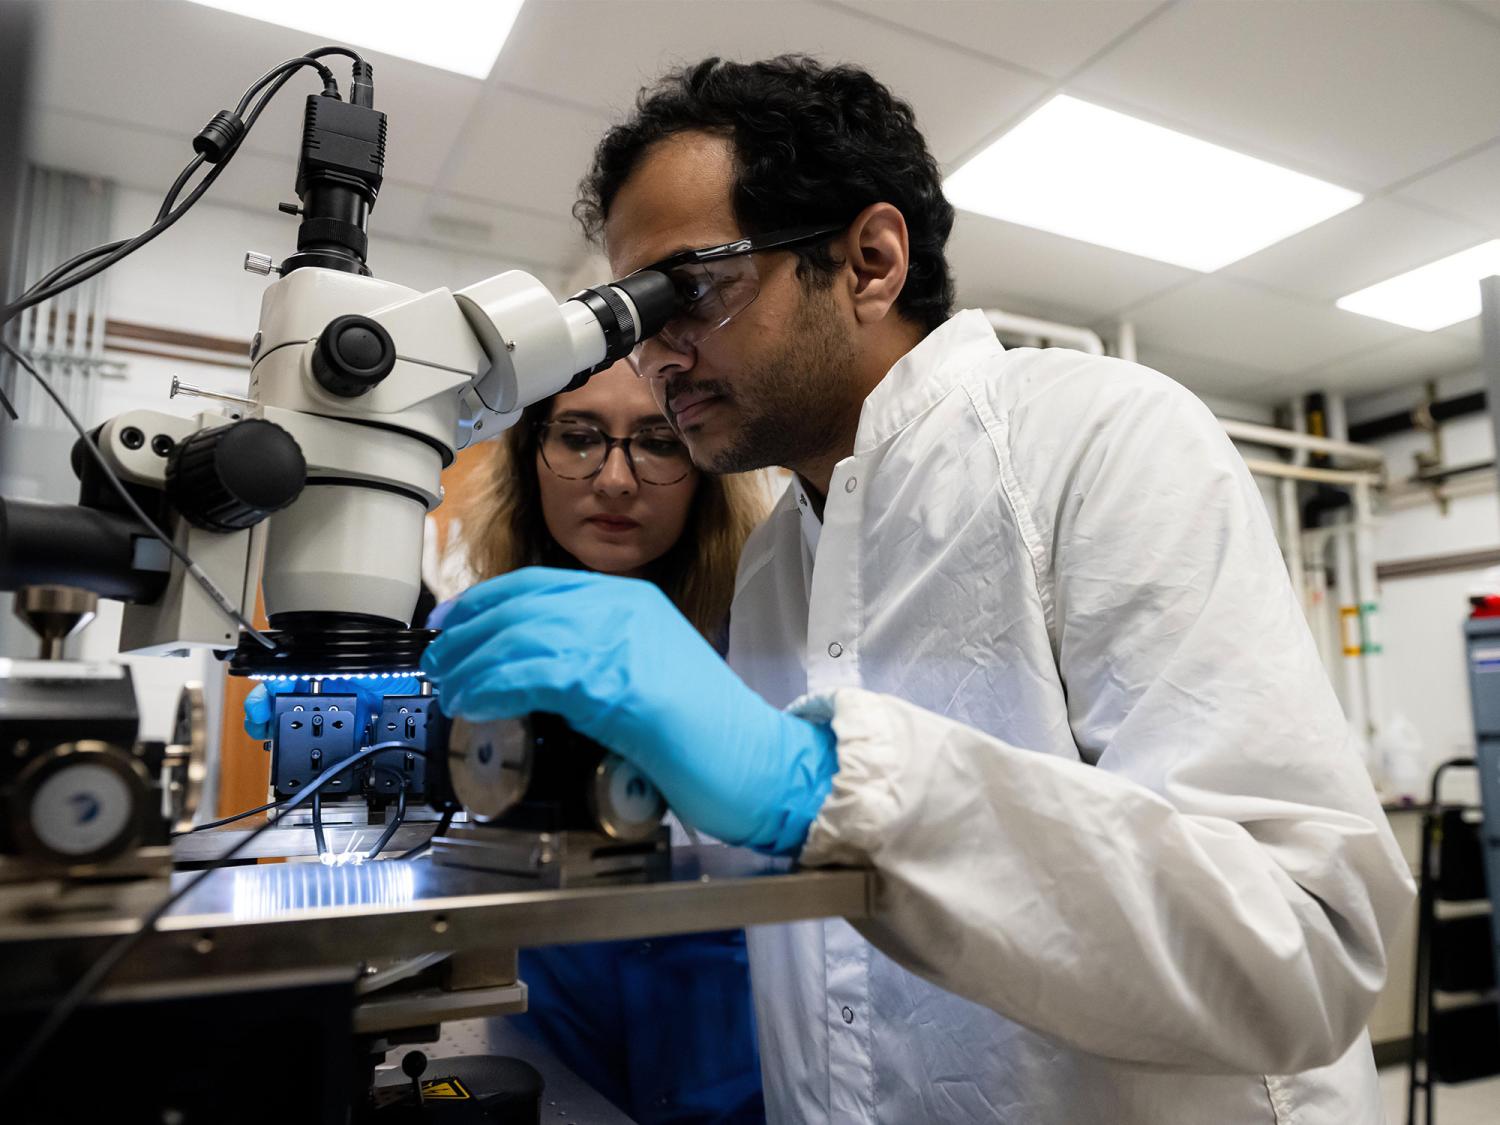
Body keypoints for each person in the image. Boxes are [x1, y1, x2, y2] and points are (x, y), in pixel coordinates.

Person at [420, 57, 1417, 1125]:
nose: (657, 356)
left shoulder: (1101, 437)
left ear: (870, 261)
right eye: (633, 316)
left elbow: (1307, 949)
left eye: (690, 292)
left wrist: (831, 788)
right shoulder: (775, 567)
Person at [248, 361, 768, 1124]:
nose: (616, 478)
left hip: (734, 1052)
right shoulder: (474, 633)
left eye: (658, 443)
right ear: (531, 456)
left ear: (704, 468)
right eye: (580, 436)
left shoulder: (767, 631)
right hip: (551, 1039)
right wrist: (362, 733)